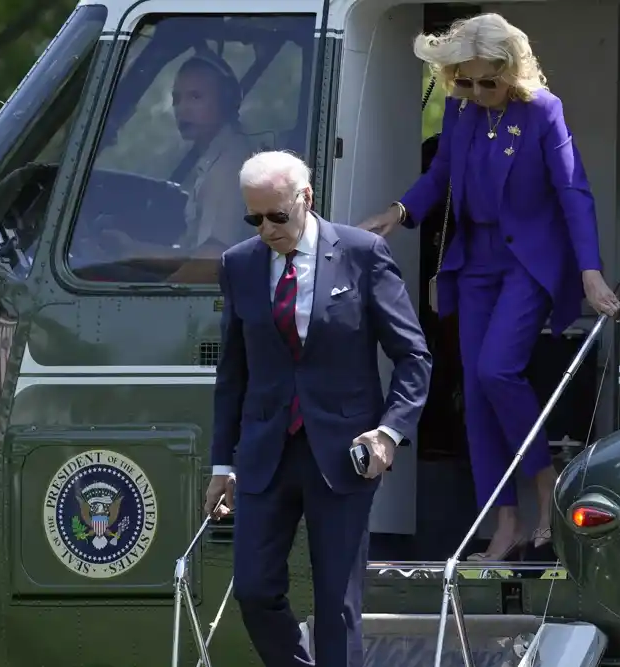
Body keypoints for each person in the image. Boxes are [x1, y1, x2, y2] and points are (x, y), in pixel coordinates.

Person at [360, 13, 620, 561]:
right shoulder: (459, 109)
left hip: (528, 261)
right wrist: (399, 211)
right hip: (473, 262)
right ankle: (502, 521)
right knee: (475, 397)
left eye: (487, 82)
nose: (475, 92)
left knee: (496, 370)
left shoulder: (543, 112)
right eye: (464, 81)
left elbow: (574, 191)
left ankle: (546, 485)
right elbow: (441, 177)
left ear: (511, 72)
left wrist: (589, 270)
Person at [207, 151, 431, 666]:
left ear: (306, 200)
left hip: (343, 452)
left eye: (277, 216)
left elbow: (413, 356)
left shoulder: (362, 253)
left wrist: (389, 434)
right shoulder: (238, 264)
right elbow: (233, 375)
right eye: (254, 218)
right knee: (254, 590)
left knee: (337, 603)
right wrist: (223, 463)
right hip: (266, 453)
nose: (266, 228)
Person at [99, 50, 257, 282]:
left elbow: (211, 261)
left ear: (226, 101)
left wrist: (157, 298)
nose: (182, 109)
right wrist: (132, 250)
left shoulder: (227, 166)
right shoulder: (217, 156)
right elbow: (194, 255)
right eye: (177, 99)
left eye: (195, 97)